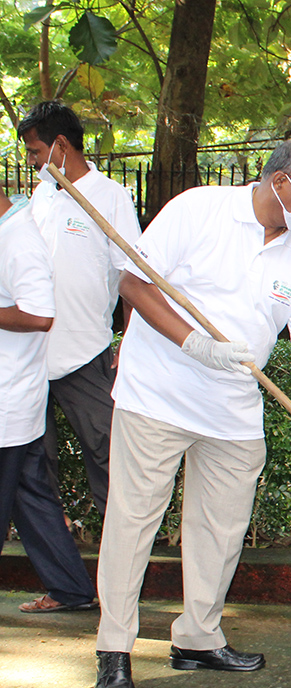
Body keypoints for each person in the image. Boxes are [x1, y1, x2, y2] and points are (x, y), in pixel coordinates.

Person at [93, 136, 291, 688]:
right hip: (157, 394)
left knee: (221, 529)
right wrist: (193, 341)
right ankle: (114, 649)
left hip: (233, 409)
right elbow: (134, 282)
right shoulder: (199, 208)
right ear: (281, 181)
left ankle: (198, 638)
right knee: (133, 521)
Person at [17, 102, 142, 543]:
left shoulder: (110, 197)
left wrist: (129, 343)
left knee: (107, 454)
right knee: (35, 465)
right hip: (31, 356)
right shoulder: (41, 195)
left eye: (35, 151)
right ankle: (64, 575)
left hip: (86, 354)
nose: (31, 161)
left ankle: (120, 560)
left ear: (61, 145)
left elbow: (133, 276)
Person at [0, 191, 98, 614]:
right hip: (15, 405)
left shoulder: (19, 240)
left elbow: (40, 316)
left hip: (9, 404)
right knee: (32, 497)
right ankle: (72, 588)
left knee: (27, 495)